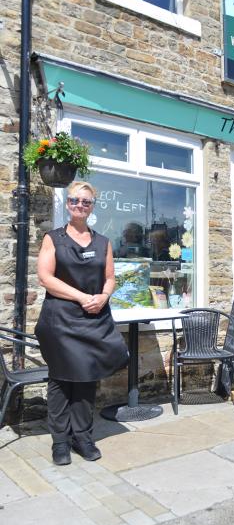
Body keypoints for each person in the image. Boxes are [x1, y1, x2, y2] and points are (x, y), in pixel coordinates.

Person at [35, 182, 128, 466]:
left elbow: (110, 277)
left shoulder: (103, 242)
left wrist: (103, 296)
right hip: (61, 319)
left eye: (86, 202)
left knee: (87, 381)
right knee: (61, 381)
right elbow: (45, 277)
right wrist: (82, 296)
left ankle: (83, 437)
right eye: (75, 200)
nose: (80, 205)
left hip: (93, 318)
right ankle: (60, 442)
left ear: (92, 207)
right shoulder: (54, 238)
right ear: (67, 203)